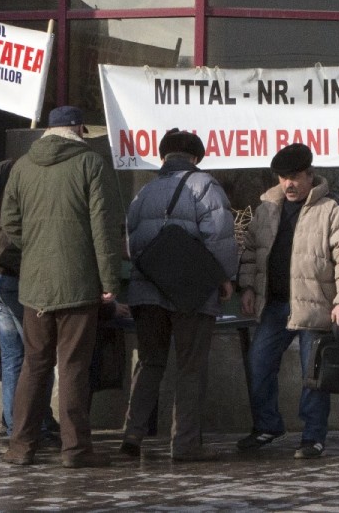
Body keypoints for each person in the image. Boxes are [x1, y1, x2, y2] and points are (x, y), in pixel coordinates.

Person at [0, 106, 123, 468]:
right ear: (77, 129)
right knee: (72, 368)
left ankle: (20, 447)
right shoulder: (91, 164)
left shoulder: (22, 165)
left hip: (35, 283)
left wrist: (36, 248)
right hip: (78, 283)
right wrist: (109, 280)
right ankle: (76, 450)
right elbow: (104, 226)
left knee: (33, 366)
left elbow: (9, 223)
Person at [236, 143, 339, 459]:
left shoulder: (333, 210)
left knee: (314, 375)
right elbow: (251, 251)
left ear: (310, 175)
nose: (288, 184)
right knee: (258, 363)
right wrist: (248, 288)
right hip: (275, 304)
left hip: (317, 305)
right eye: (282, 177)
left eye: (294, 176)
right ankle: (267, 425)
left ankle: (313, 437)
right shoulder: (267, 207)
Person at [119, 128, 238, 462]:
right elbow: (220, 237)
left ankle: (132, 436)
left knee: (149, 363)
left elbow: (130, 245)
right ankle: (185, 444)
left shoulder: (144, 192)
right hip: (192, 291)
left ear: (163, 157)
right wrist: (226, 277)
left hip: (147, 291)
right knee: (190, 368)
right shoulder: (205, 186)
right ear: (196, 157)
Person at [0, 159, 60, 443]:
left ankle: (14, 426)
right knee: (37, 355)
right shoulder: (30, 193)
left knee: (12, 358)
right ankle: (33, 426)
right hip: (15, 278)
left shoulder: (5, 178)